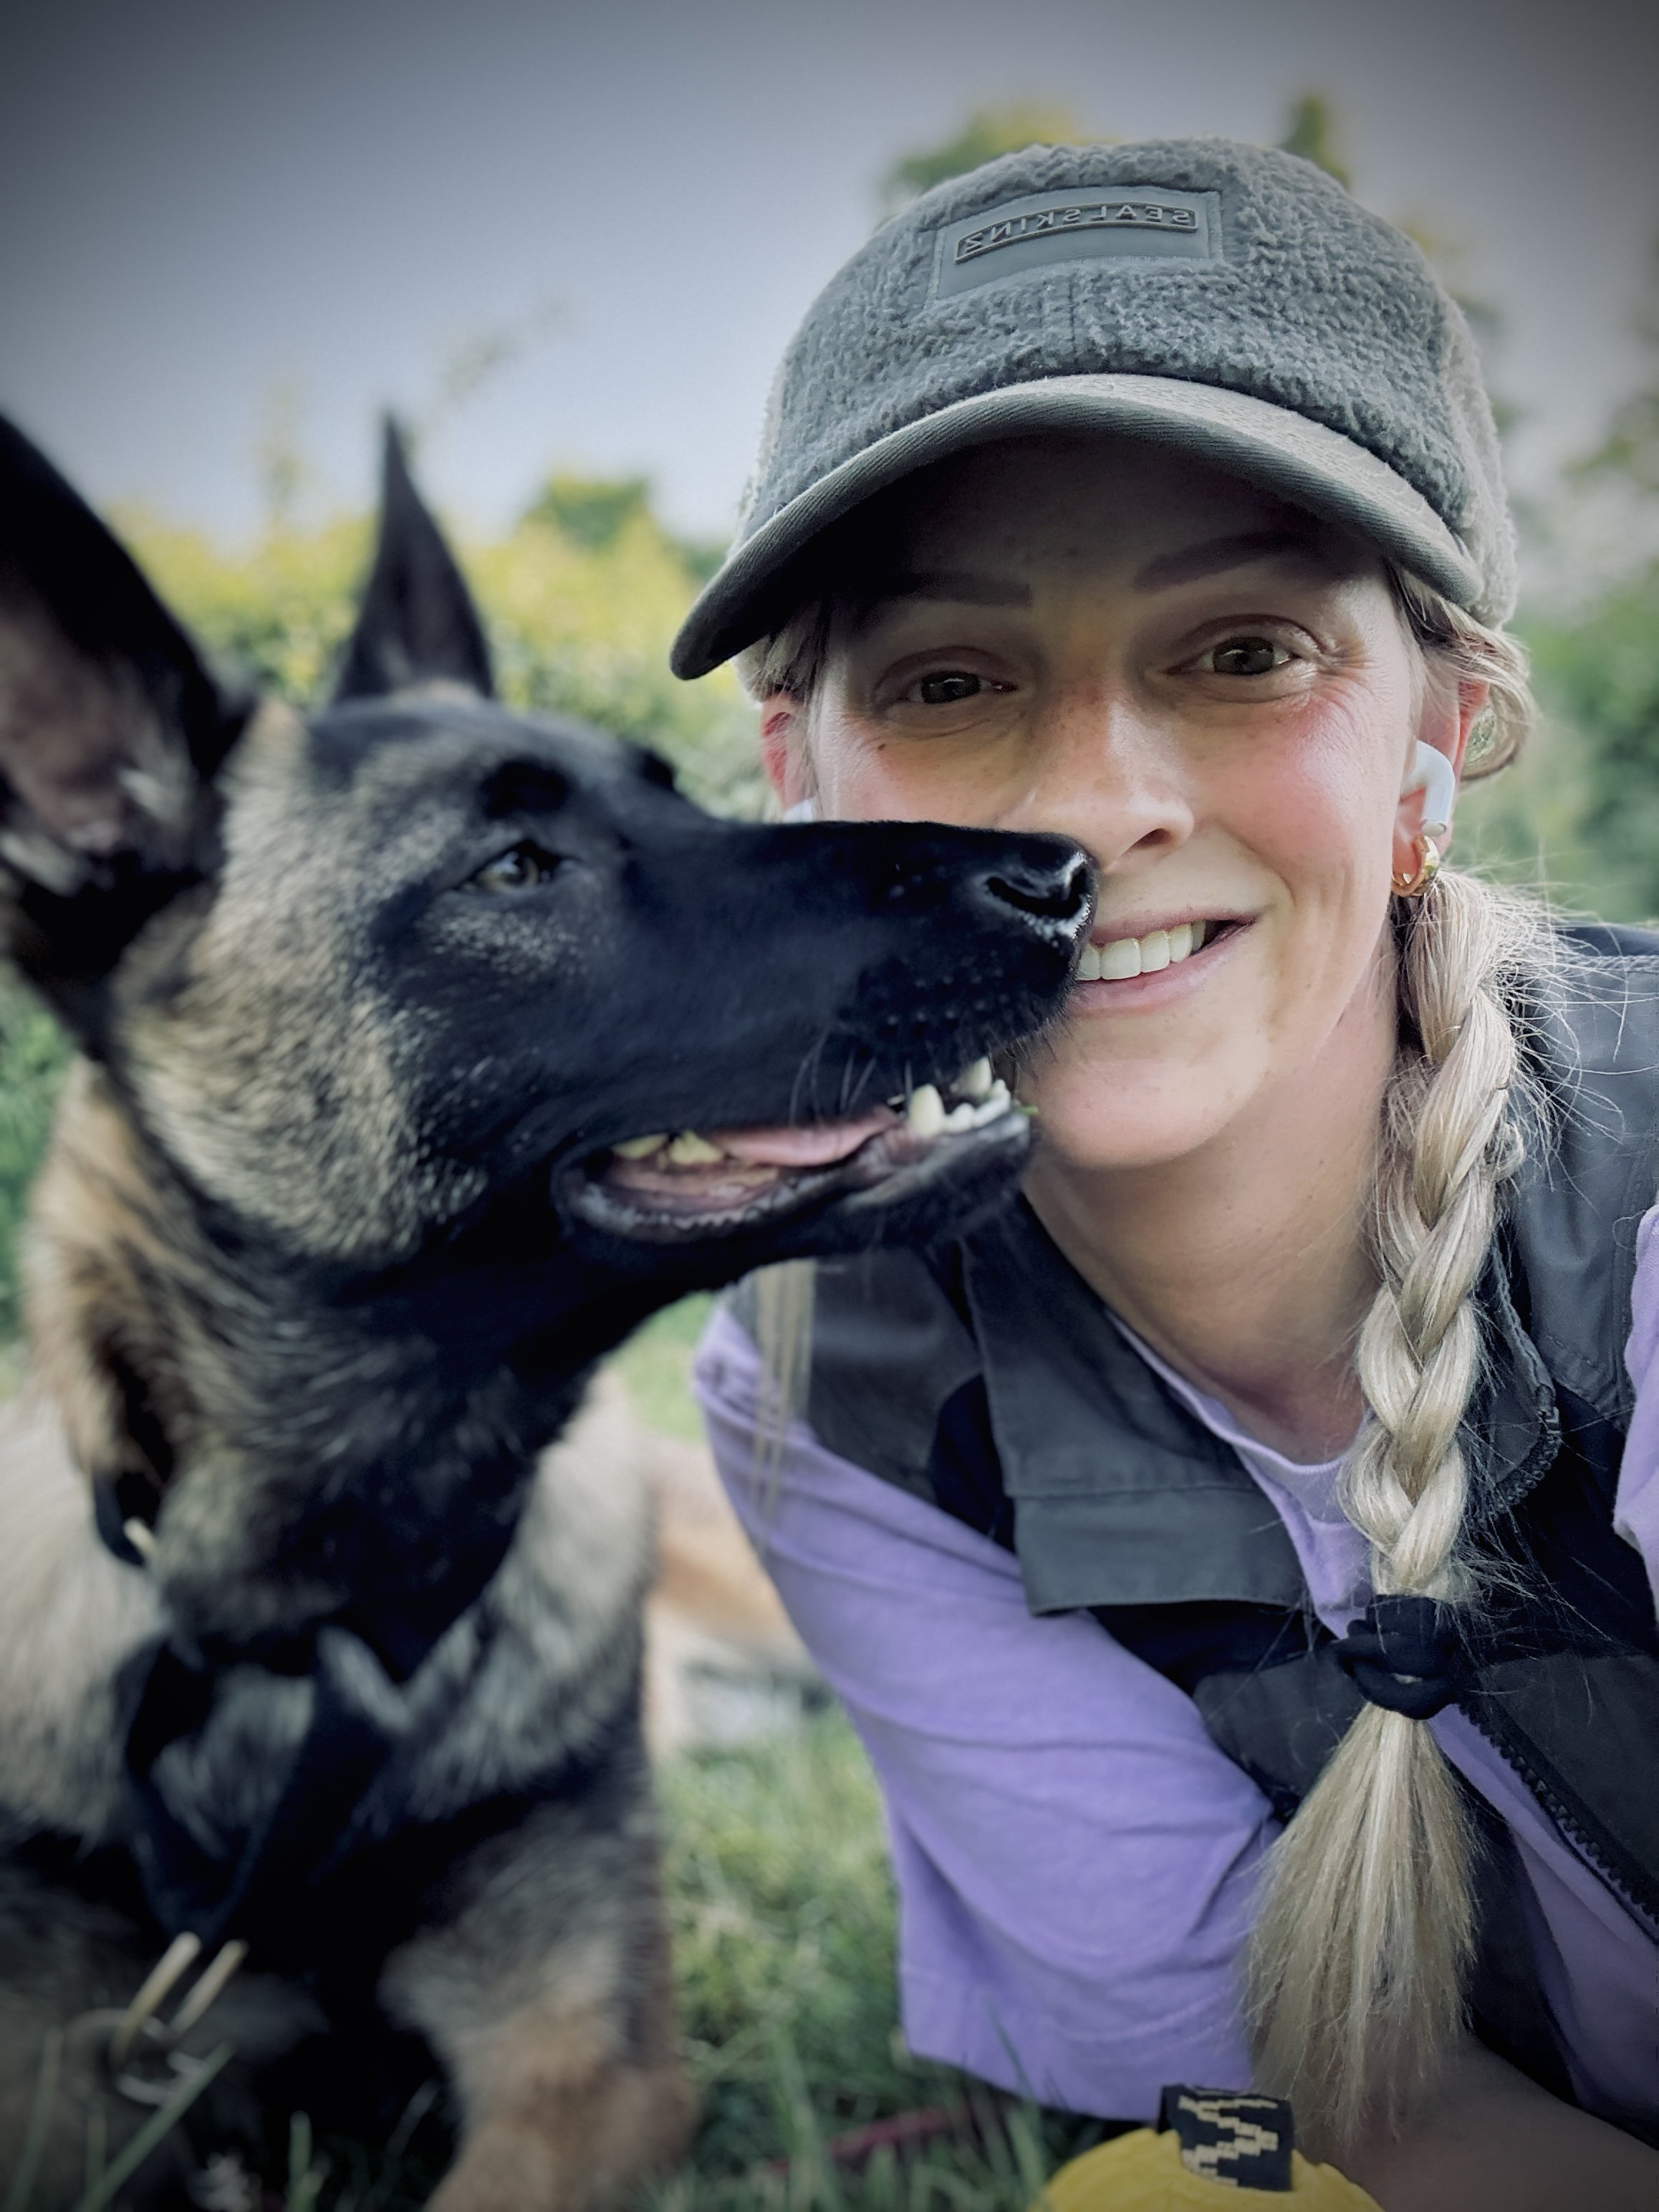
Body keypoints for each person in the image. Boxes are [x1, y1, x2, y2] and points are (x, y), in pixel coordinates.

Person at [670, 140, 1659, 2209]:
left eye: (1241, 653)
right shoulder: (825, 1370)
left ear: (1440, 726)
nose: (1096, 805)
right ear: (797, 785)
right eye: (948, 682)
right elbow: (1301, 2098)